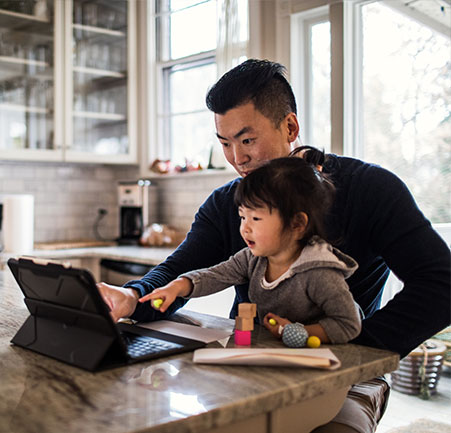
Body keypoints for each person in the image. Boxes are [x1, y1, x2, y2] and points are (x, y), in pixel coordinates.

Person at [97, 59, 451, 432]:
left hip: (344, 378)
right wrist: (132, 296)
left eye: (247, 140)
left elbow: (442, 285)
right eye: (225, 143)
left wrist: (359, 350)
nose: (237, 158)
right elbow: (178, 273)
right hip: (248, 360)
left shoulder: (370, 190)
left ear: (291, 126)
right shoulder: (224, 205)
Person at [139, 157, 361, 346]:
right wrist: (179, 286)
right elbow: (216, 275)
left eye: (256, 218)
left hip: (319, 362)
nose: (245, 227)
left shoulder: (319, 273)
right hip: (276, 356)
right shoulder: (254, 258)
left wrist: (300, 333)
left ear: (297, 224)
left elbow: (348, 324)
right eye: (242, 216)